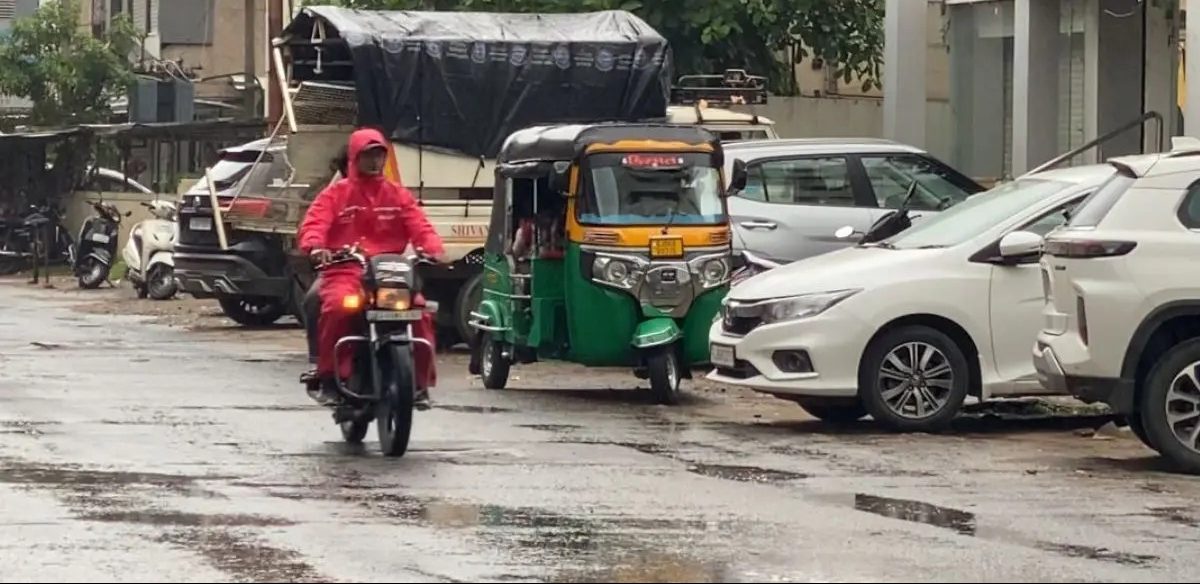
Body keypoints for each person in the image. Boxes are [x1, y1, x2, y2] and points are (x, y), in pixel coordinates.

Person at [297, 127, 446, 407]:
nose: (375, 161)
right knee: (338, 308)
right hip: (346, 270)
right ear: (354, 157)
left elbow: (420, 225)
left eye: (379, 155)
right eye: (368, 155)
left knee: (420, 312)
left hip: (391, 272)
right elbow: (315, 224)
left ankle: (419, 383)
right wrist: (317, 248)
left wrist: (431, 248)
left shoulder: (398, 195)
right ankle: (330, 378)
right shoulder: (335, 195)